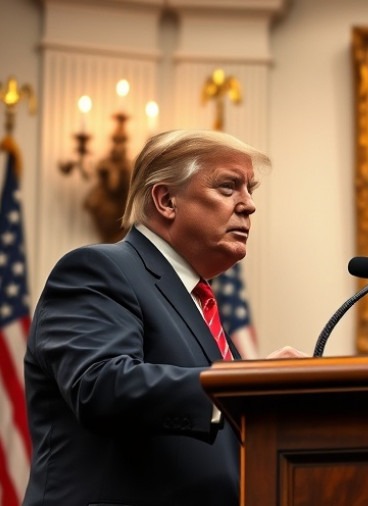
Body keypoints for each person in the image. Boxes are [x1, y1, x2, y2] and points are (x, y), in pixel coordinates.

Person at [23, 129, 305, 505]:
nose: (248, 204)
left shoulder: (199, 304)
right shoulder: (98, 269)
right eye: (228, 187)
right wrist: (245, 386)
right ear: (166, 199)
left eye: (250, 189)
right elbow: (100, 385)